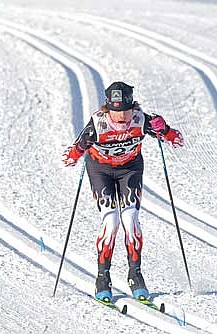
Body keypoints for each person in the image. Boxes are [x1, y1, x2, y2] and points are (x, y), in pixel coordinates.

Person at [62, 81, 184, 302]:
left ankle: (135, 275)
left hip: (130, 169)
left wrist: (164, 129)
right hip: (101, 171)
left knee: (131, 220)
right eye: (117, 112)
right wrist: (82, 146)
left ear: (132, 106)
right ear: (109, 108)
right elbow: (68, 158)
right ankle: (102, 278)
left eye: (126, 111)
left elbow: (176, 139)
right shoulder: (98, 124)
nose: (122, 118)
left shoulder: (140, 119)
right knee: (111, 222)